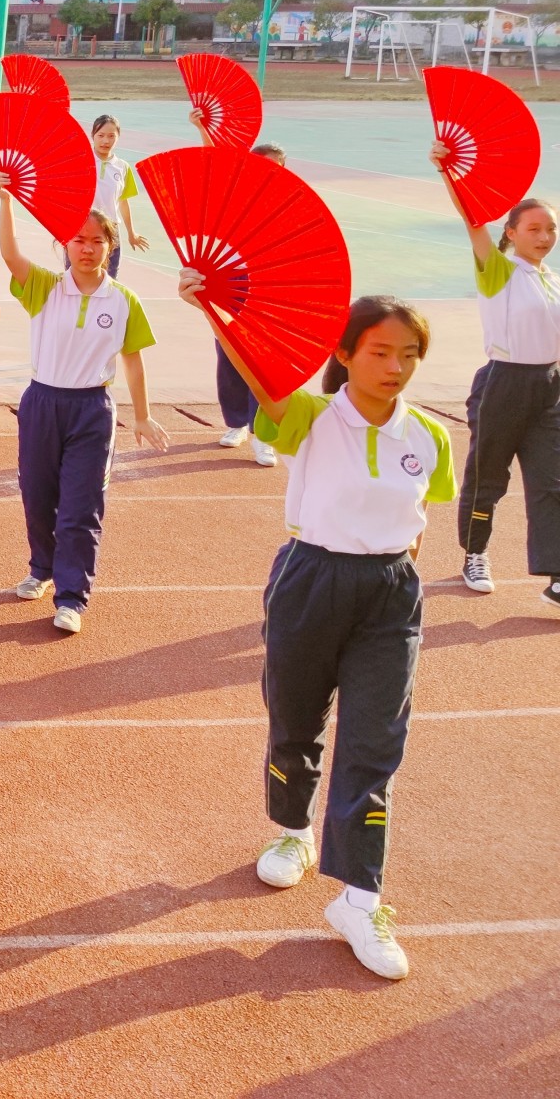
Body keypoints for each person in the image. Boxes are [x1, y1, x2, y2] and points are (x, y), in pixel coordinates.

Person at [190, 288, 452, 980]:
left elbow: (421, 516)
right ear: (344, 353)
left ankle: (361, 899)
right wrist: (213, 310)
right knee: (296, 717)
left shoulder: (430, 436)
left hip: (390, 595)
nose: (396, 366)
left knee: (374, 742)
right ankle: (294, 831)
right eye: (380, 351)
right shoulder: (310, 417)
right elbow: (262, 381)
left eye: (410, 354)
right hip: (311, 579)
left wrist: (394, 579)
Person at [0, 185, 167, 633]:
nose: (87, 248)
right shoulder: (46, 288)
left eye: (96, 241)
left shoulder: (124, 300)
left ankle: (71, 597)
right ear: (63, 245)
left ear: (111, 247)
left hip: (92, 409)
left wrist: (143, 414)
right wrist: (6, 202)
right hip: (41, 403)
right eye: (78, 239)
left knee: (80, 507)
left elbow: (134, 359)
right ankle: (41, 567)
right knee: (37, 496)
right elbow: (10, 255)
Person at [427, 152, 560, 603]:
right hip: (503, 383)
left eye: (551, 229)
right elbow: (470, 222)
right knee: (489, 476)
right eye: (534, 229)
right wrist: (449, 172)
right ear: (511, 232)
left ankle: (557, 573)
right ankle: (475, 554)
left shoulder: (552, 280)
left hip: (549, 386)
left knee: (551, 478)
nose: (544, 237)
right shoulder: (500, 271)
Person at [190, 123, 289, 465]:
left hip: (268, 286)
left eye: (275, 167)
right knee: (229, 353)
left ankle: (263, 434)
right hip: (230, 282)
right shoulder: (233, 195)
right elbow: (214, 165)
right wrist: (203, 128)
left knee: (262, 360)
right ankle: (236, 424)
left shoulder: (289, 204)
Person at [84, 114, 147, 277]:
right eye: (101, 135)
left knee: (110, 280)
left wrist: (131, 233)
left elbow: (123, 202)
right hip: (82, 229)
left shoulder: (122, 167)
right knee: (79, 278)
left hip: (110, 231)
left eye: (111, 136)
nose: (106, 141)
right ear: (93, 136)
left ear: (118, 137)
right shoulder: (81, 161)